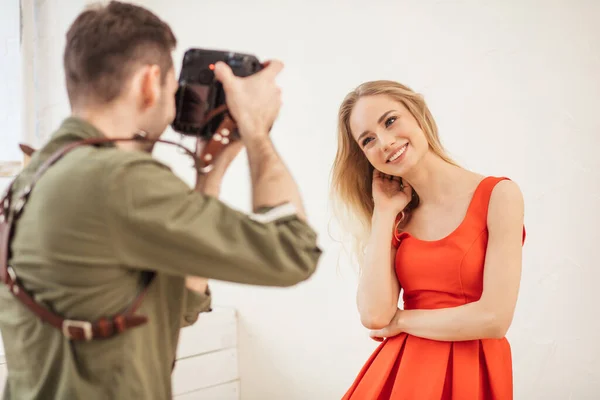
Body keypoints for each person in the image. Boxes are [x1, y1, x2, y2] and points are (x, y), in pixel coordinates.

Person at [0, 2, 322, 399]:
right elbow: (293, 251)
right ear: (149, 83)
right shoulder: (117, 181)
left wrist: (209, 177)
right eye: (173, 90)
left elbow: (174, 306)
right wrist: (255, 130)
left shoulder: (33, 177)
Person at [331, 80, 525, 399]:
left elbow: (494, 319)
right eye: (368, 140)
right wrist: (383, 213)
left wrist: (403, 321)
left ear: (418, 113)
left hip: (472, 371)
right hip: (398, 374)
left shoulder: (499, 196)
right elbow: (375, 315)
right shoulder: (398, 218)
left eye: (390, 121)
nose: (386, 142)